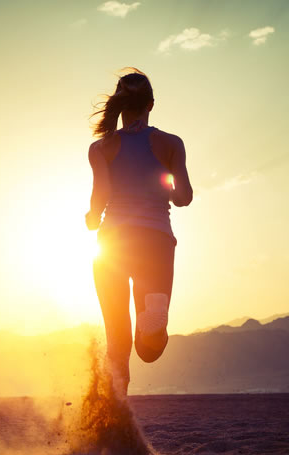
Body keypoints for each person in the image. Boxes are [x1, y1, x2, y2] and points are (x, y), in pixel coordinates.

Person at [85, 68, 193, 397]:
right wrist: (168, 189)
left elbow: (98, 203)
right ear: (151, 105)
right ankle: (155, 315)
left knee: (118, 342)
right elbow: (184, 196)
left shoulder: (101, 149)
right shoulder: (171, 144)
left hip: (113, 244)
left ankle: (117, 416)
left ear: (119, 105)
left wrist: (91, 218)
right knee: (149, 349)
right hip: (155, 243)